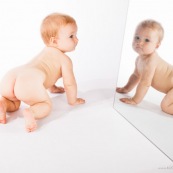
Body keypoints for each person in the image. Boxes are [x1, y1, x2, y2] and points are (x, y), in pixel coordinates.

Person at [0, 12, 85, 132]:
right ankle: (32, 112)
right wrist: (73, 100)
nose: (77, 40)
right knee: (46, 105)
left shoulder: (45, 51)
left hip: (12, 75)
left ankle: (3, 104)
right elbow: (69, 83)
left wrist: (53, 88)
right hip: (28, 81)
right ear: (54, 41)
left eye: (76, 35)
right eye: (71, 36)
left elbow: (48, 73)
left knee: (13, 104)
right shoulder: (65, 60)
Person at [116, 19, 173, 115]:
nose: (139, 42)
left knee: (165, 106)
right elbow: (136, 76)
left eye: (147, 40)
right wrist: (126, 88)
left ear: (157, 45)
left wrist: (135, 100)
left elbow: (145, 83)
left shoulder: (151, 61)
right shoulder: (139, 59)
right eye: (137, 37)